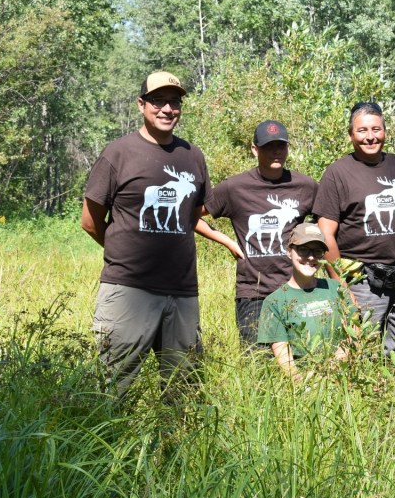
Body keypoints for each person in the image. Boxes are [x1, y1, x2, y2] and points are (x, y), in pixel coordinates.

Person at [81, 71, 210, 397]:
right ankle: (109, 446)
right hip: (128, 290)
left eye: (174, 102)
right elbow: (90, 220)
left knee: (184, 391)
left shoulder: (193, 156)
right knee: (115, 389)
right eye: (158, 101)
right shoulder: (118, 153)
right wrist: (125, 252)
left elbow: (192, 215)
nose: (167, 109)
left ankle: (174, 447)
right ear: (142, 105)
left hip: (182, 292)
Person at [313, 101, 395, 356]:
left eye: (376, 129)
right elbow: (325, 235)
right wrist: (342, 286)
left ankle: (394, 393)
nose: (370, 137)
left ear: (385, 131)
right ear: (350, 135)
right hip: (361, 280)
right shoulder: (338, 173)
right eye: (362, 131)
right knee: (358, 352)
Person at [196, 120, 317, 346]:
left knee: (303, 359)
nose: (276, 152)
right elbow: (192, 216)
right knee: (258, 363)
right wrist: (228, 242)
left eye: (281, 146)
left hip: (297, 288)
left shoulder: (305, 186)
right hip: (254, 292)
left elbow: (327, 222)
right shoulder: (234, 188)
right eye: (269, 146)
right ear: (255, 149)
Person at [257, 222, 354, 379]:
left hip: (341, 378)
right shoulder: (274, 302)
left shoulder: (336, 289)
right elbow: (285, 361)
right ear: (290, 252)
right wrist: (308, 386)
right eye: (303, 249)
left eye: (317, 251)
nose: (310, 257)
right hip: (304, 387)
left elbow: (352, 331)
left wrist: (333, 370)